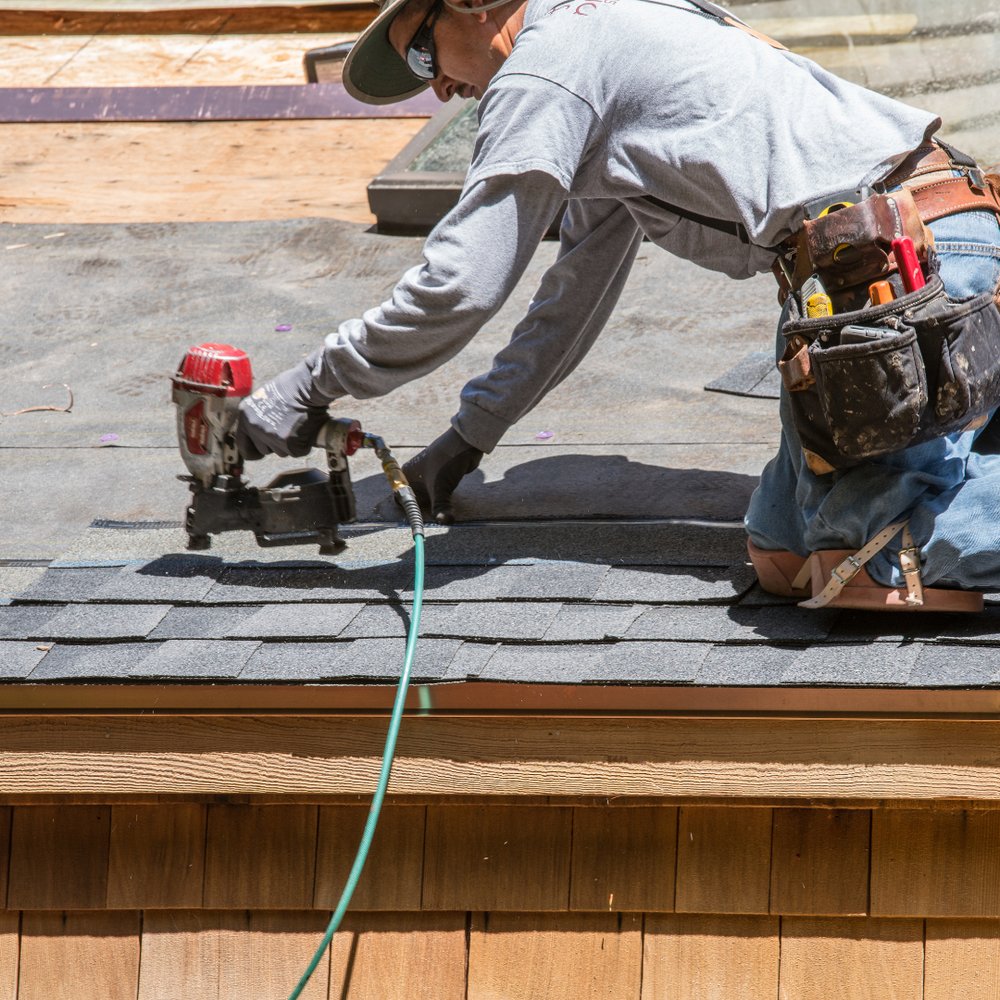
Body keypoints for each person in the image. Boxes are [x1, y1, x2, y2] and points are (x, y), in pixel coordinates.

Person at [235, 0, 1000, 609]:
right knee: (782, 553)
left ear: (473, 2)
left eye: (421, 54)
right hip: (884, 269)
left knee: (864, 568)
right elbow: (574, 292)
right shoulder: (603, 51)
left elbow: (461, 284)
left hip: (903, 267)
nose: (436, 89)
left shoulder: (548, 70)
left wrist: (306, 386)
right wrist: (468, 436)